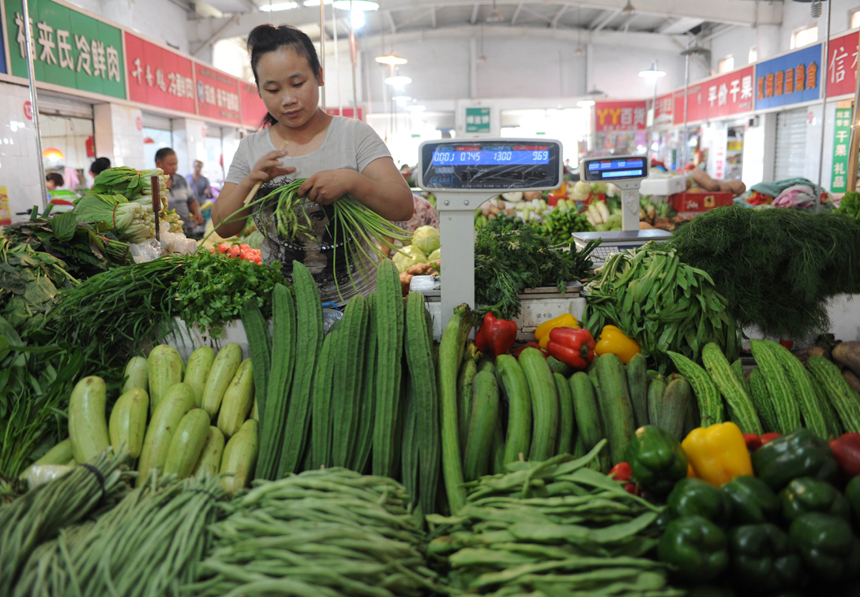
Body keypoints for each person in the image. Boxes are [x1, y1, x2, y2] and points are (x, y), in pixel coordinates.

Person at [212, 24, 413, 304]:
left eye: (297, 84)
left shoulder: (354, 135)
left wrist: (352, 181)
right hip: (284, 304)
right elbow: (222, 227)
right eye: (272, 89)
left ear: (319, 75)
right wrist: (250, 182)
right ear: (259, 90)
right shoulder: (250, 149)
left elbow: (403, 206)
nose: (288, 100)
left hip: (358, 302)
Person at [155, 147, 204, 232]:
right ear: (159, 164)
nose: (175, 168)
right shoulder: (152, 184)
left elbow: (191, 200)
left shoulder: (181, 180)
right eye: (171, 165)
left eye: (176, 164)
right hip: (166, 235)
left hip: (188, 230)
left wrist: (197, 212)